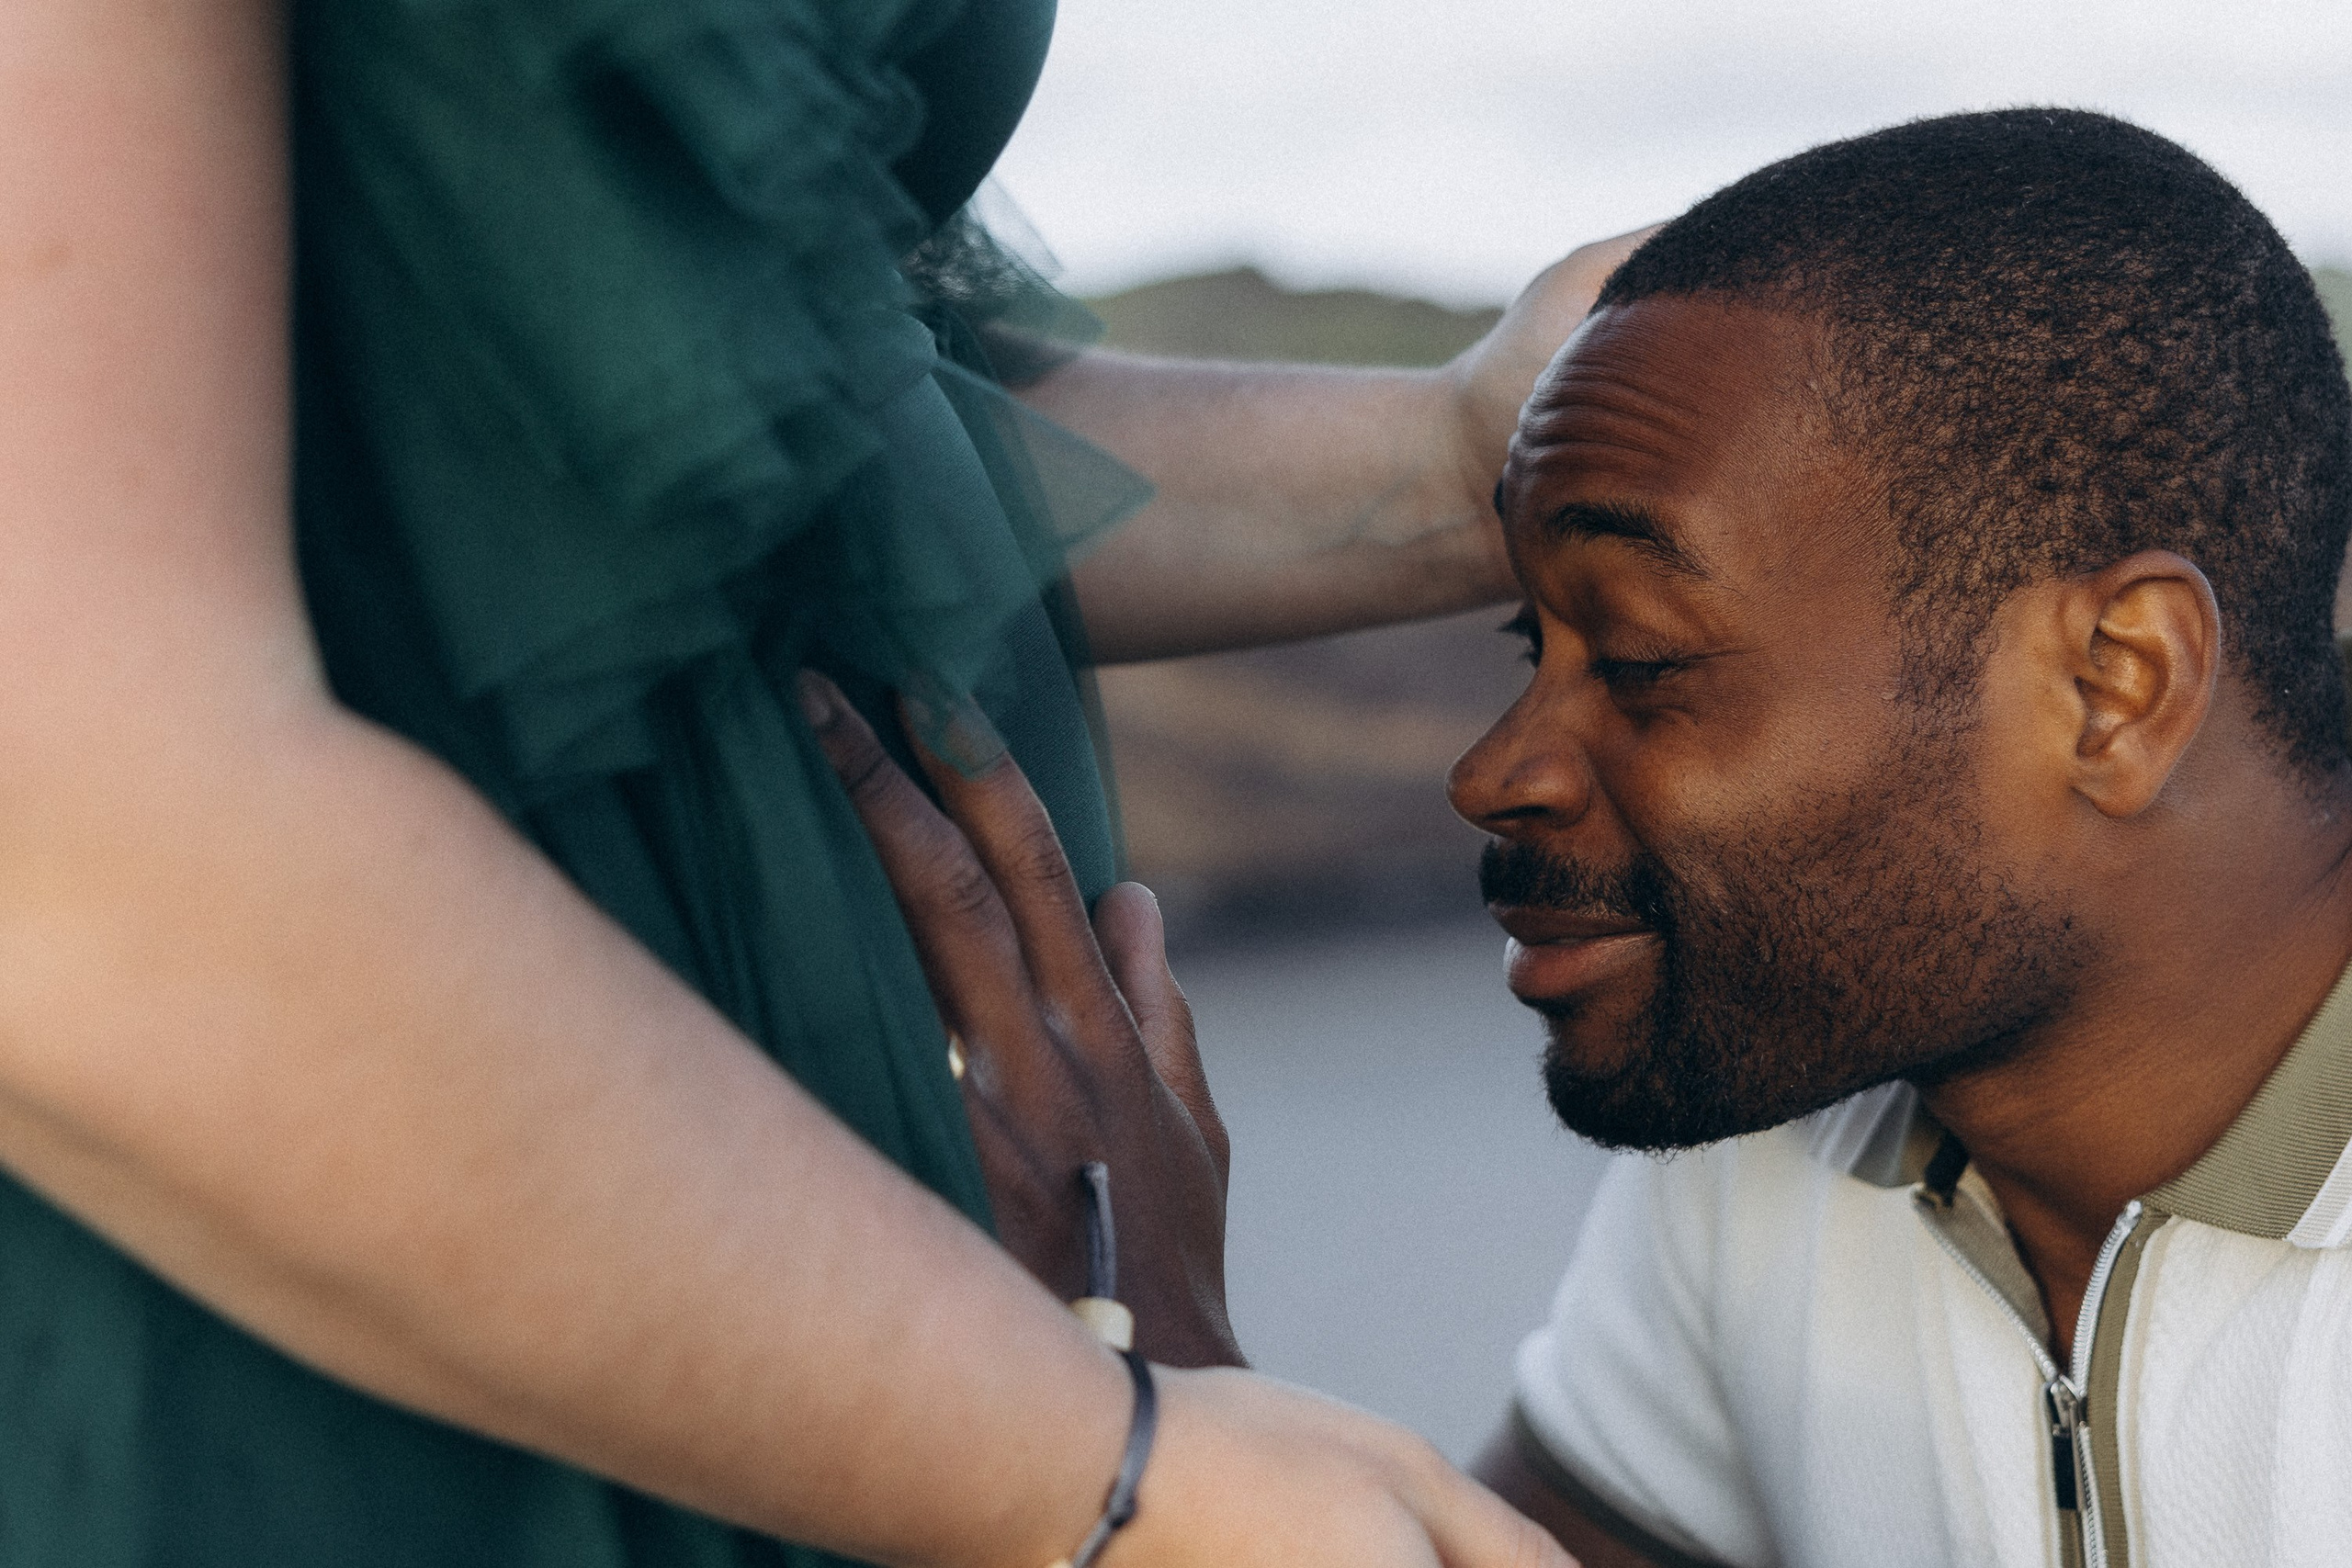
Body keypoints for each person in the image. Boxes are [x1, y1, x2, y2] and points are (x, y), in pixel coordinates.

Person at [0, 0, 1631, 1564]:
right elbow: (70, 825)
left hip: (845, 1337)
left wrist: (1465, 454)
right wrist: (1097, 1463)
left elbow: (777, 417)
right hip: (354, 1307)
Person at [820, 109, 2352, 1568]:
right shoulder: (1775, 1140)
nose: (1494, 774)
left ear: (2114, 687)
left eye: (1638, 660)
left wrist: (1160, 1416)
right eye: (1523, 645)